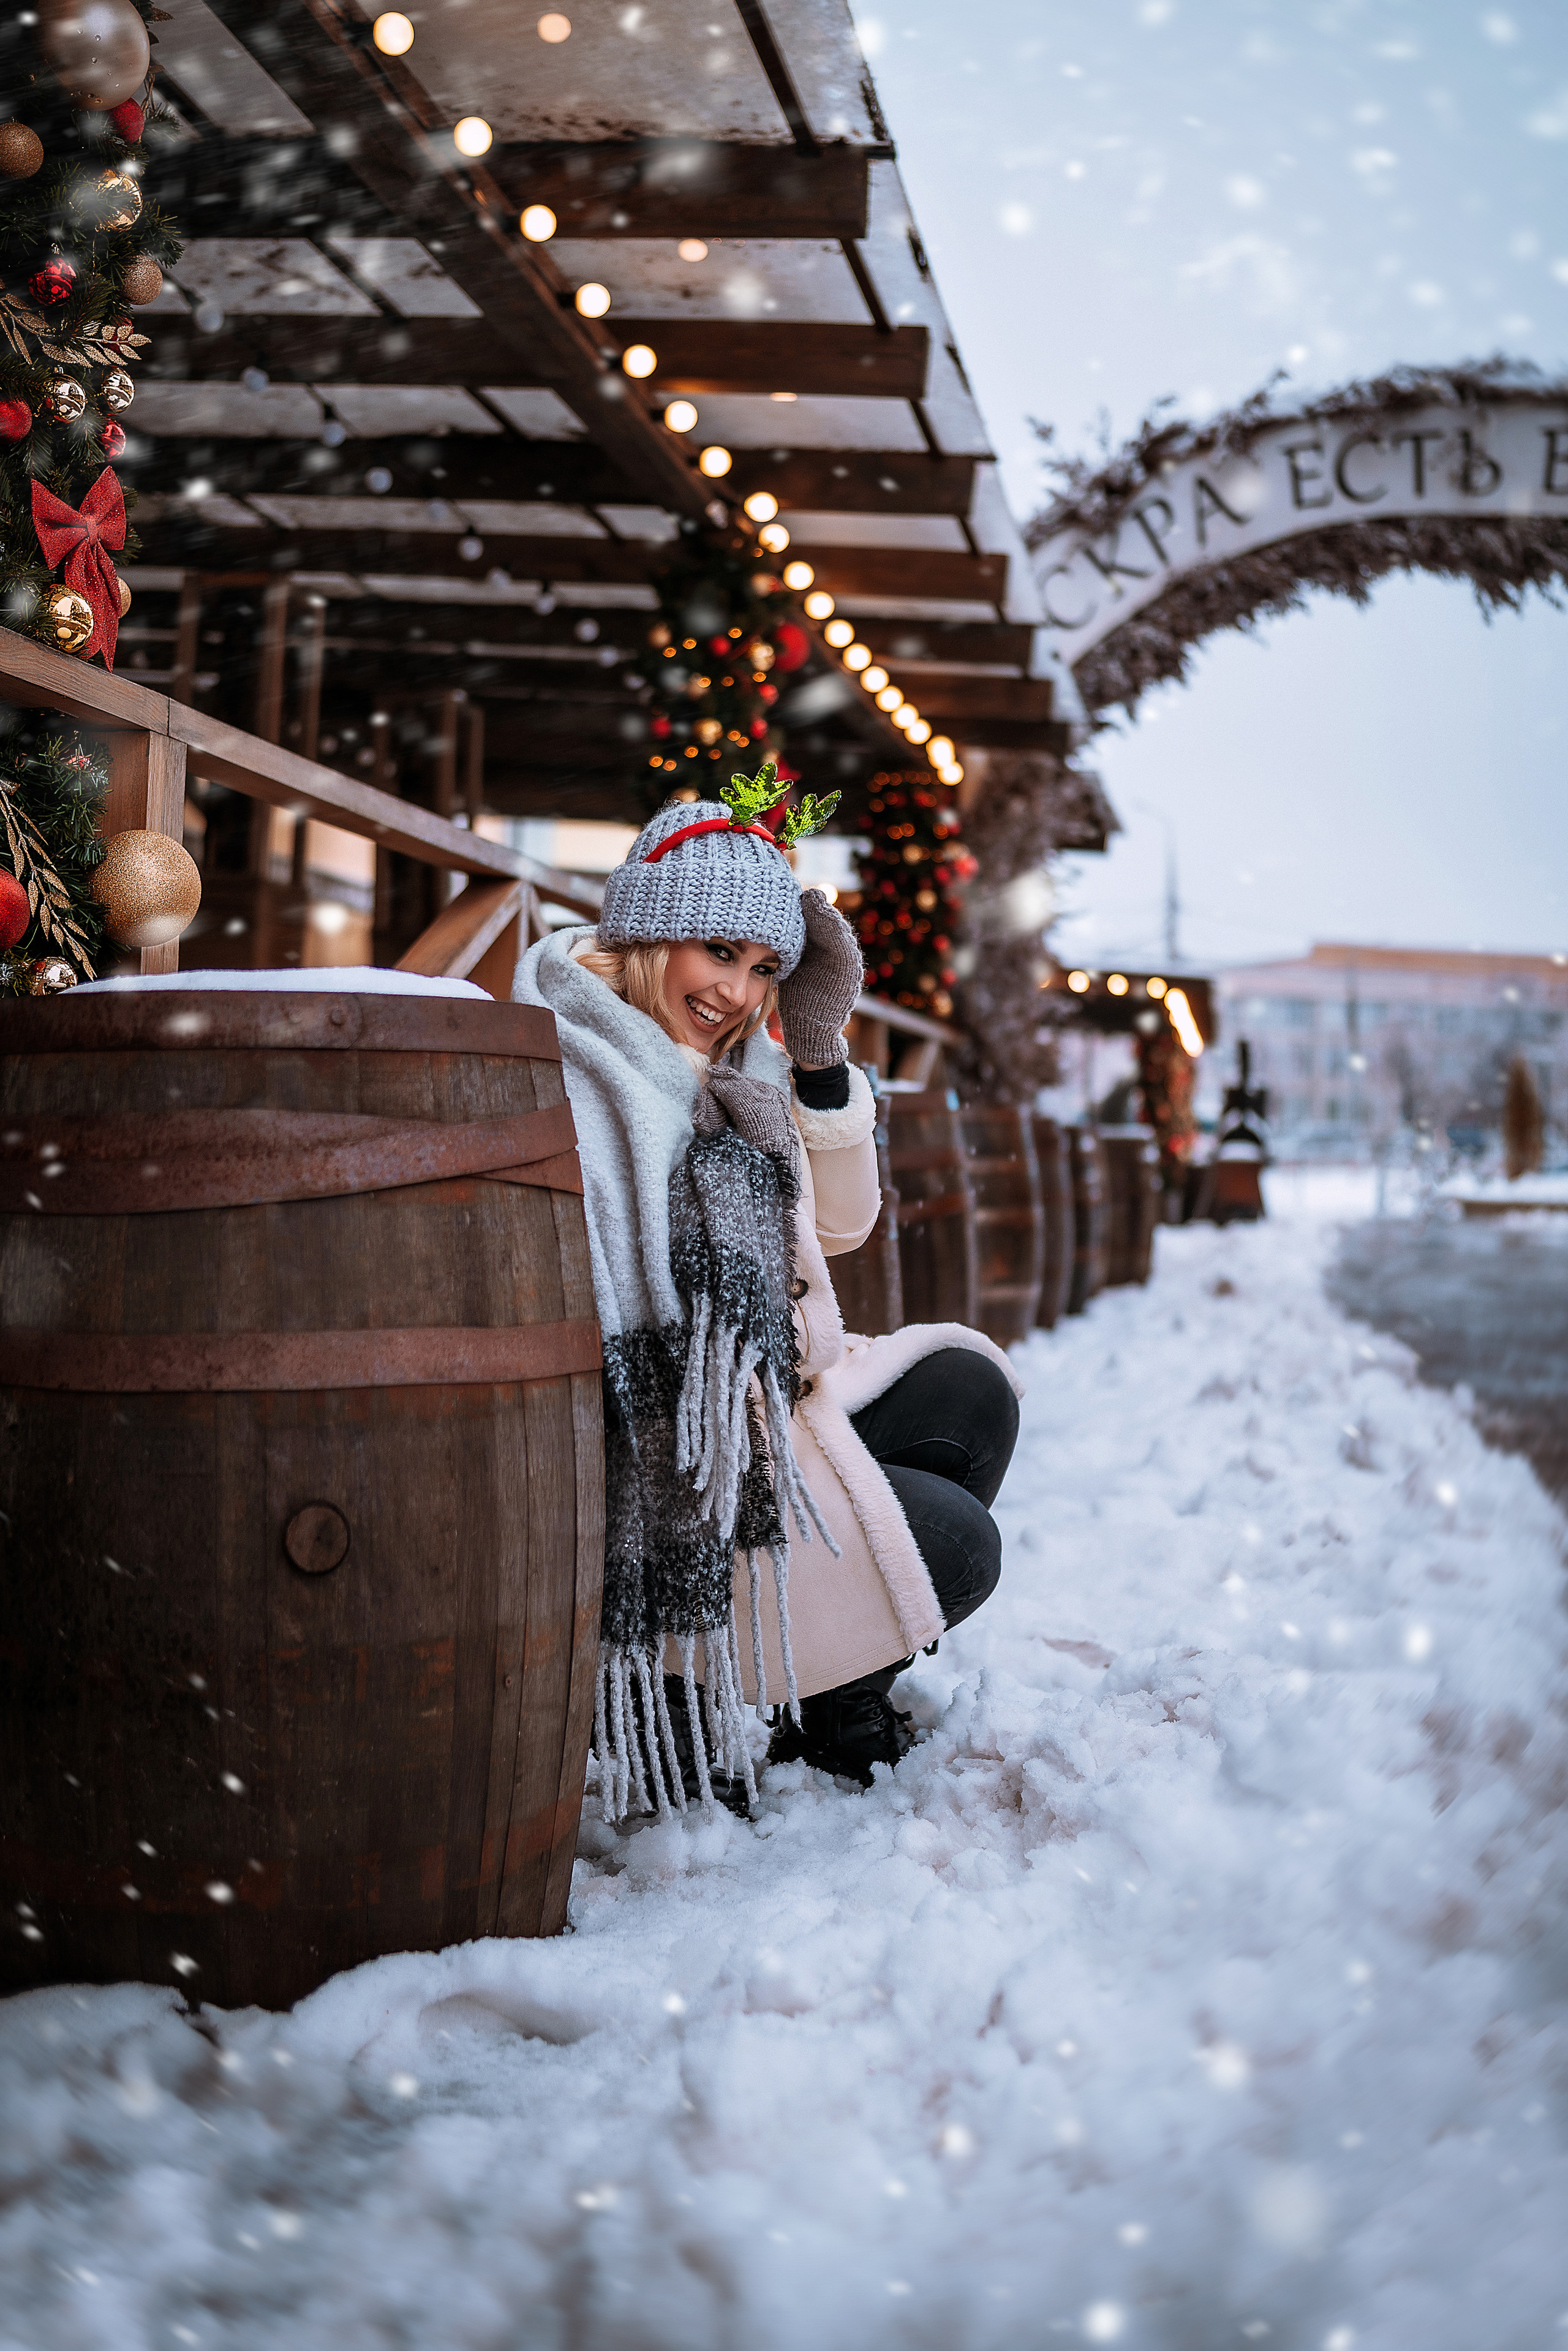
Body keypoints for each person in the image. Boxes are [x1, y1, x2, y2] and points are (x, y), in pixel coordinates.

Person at [514, 780, 1020, 1817]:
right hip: (678, 1465)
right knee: (958, 1544)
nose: (740, 993)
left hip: (769, 1404)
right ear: (651, 933)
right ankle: (690, 1677)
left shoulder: (728, 1077)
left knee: (969, 1394)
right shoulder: (590, 1069)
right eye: (718, 952)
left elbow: (841, 1229)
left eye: (764, 968)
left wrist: (820, 1054)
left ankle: (834, 1705)